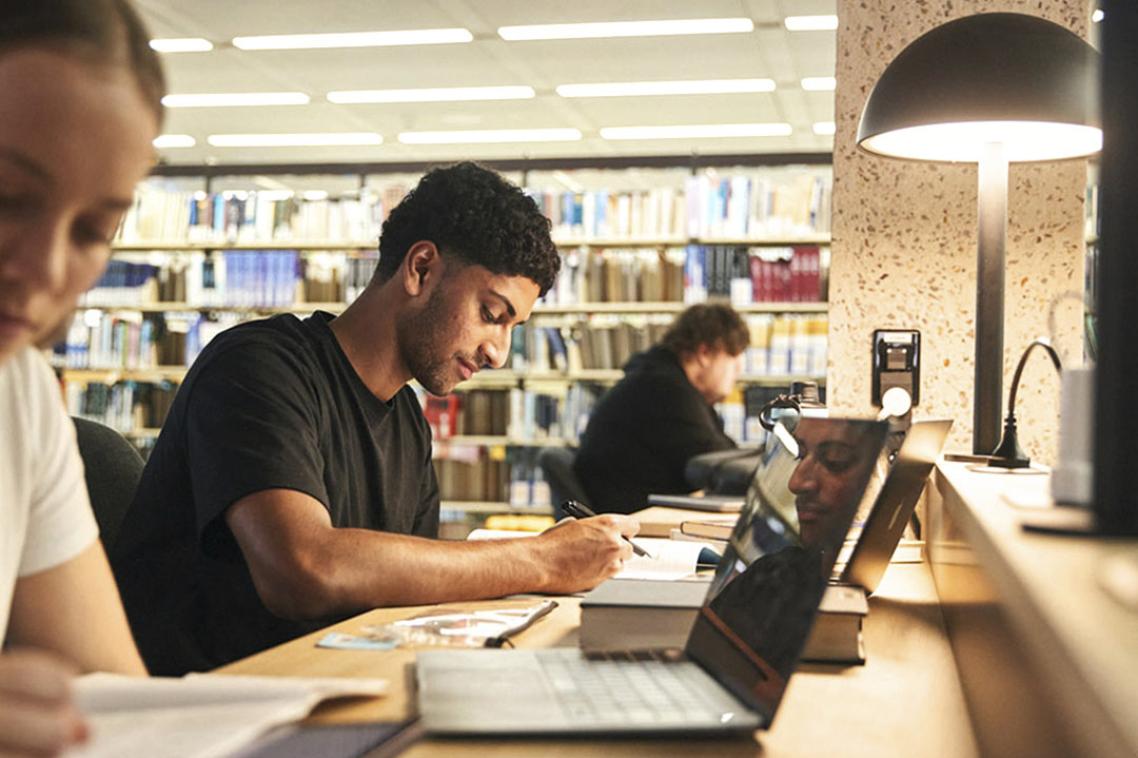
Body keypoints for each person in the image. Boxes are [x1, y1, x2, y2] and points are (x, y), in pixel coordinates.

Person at [111, 162, 639, 675]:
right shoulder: (257, 367)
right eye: (491, 314)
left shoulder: (409, 423)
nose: (498, 352)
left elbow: (400, 595)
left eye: (511, 328)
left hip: (331, 687)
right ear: (421, 269)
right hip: (213, 713)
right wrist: (542, 560)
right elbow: (304, 570)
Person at [0, 1, 166, 755]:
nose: (46, 273)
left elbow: (119, 706)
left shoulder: (20, 391)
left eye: (94, 230)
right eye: (5, 199)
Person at [573, 303, 749, 514]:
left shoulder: (660, 378)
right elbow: (720, 466)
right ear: (705, 353)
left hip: (632, 510)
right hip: (632, 518)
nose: (738, 372)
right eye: (733, 358)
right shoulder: (664, 390)